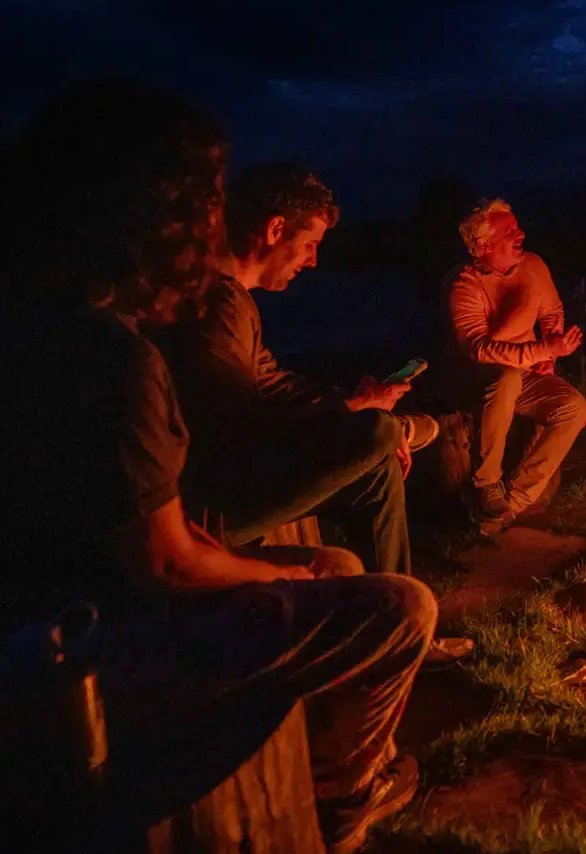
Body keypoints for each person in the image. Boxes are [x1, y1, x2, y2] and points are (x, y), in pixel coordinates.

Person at [0, 79, 436, 854]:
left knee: (333, 560)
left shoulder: (7, 323)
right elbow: (167, 565)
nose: (208, 232)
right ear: (155, 219)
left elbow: (132, 526)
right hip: (38, 677)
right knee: (399, 605)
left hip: (27, 619)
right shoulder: (111, 358)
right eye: (200, 207)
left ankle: (319, 769)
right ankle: (341, 803)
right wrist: (283, 579)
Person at [156, 163, 437, 575]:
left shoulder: (234, 301)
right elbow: (237, 420)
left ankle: (391, 600)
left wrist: (351, 400)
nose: (312, 261)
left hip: (229, 480)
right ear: (275, 231)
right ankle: (402, 430)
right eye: (309, 244)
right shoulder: (213, 306)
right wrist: (355, 416)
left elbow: (271, 383)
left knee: (377, 466)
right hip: (204, 507)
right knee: (378, 433)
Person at [443, 198, 586, 536]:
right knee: (506, 378)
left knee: (572, 407)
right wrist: (540, 350)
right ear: (483, 244)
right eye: (509, 231)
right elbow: (479, 349)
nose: (520, 233)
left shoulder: (533, 266)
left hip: (525, 371)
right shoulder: (463, 284)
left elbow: (551, 313)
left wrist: (549, 356)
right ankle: (487, 482)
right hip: (474, 379)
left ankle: (515, 502)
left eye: (517, 226)